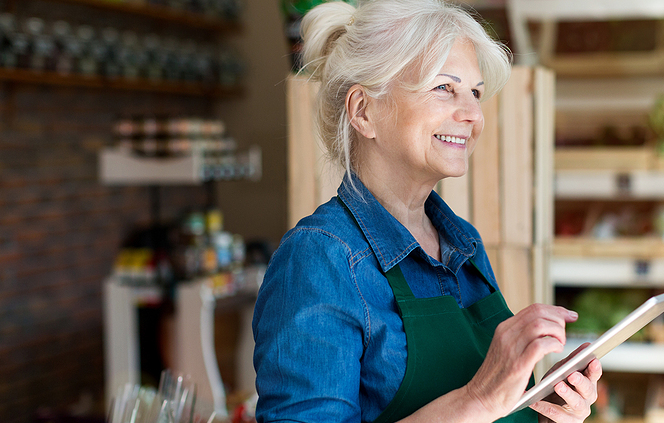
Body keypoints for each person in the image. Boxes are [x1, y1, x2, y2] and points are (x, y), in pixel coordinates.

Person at [251, 0, 602, 422]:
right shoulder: (319, 260)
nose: (473, 115)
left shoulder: (462, 243)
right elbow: (478, 404)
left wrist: (539, 412)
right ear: (364, 111)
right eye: (444, 88)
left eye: (475, 92)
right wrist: (480, 399)